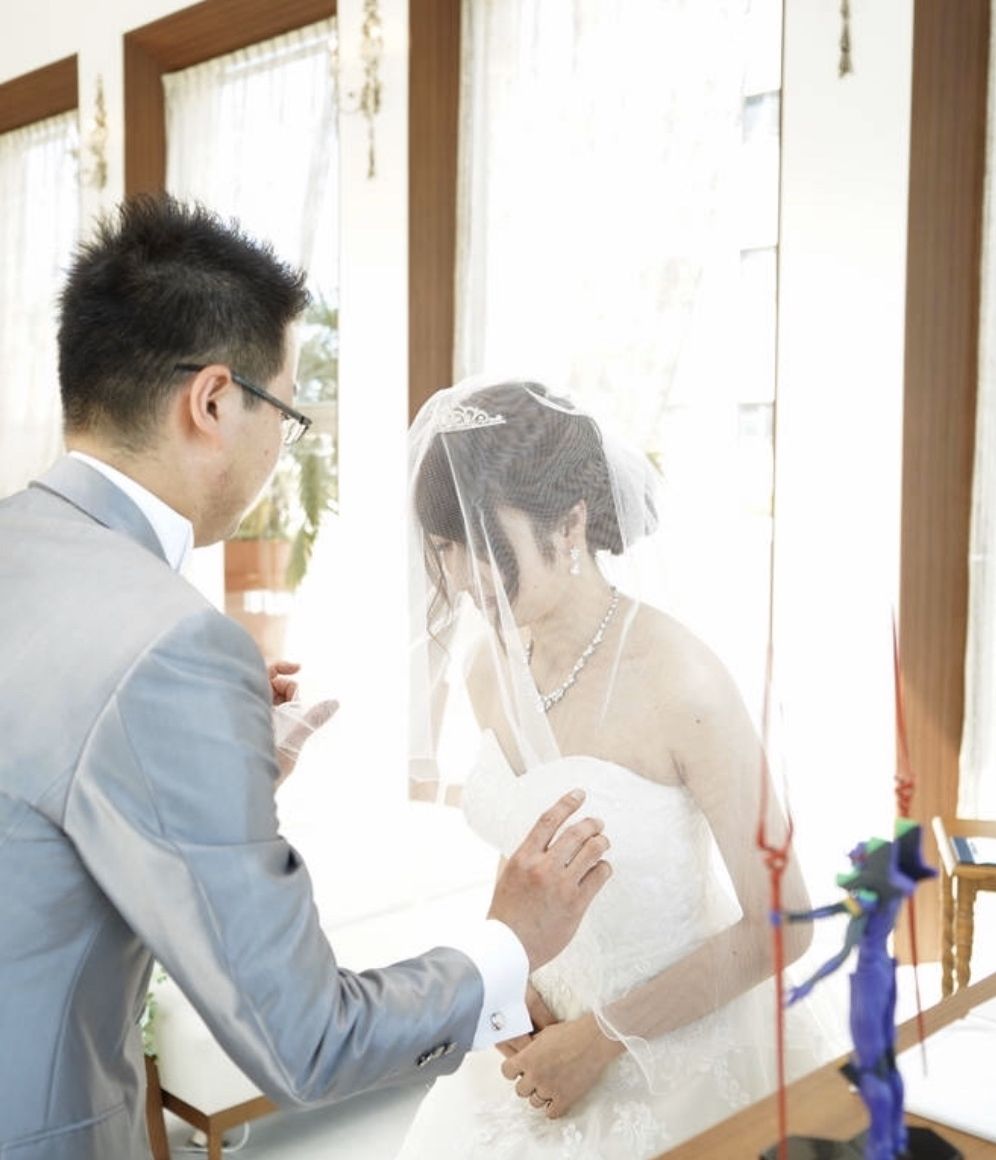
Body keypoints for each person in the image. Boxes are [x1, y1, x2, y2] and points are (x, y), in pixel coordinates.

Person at [0, 198, 611, 1160]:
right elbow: (307, 1041)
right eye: (287, 413)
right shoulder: (173, 644)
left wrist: (209, 771)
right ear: (212, 401)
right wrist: (510, 942)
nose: (284, 446)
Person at [399, 379, 820, 1158]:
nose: (458, 577)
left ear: (570, 524)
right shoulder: (490, 669)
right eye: (444, 547)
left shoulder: (683, 682)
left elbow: (786, 919)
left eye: (481, 544)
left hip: (679, 1058)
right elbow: (528, 849)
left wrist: (604, 1038)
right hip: (539, 1042)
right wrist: (512, 978)